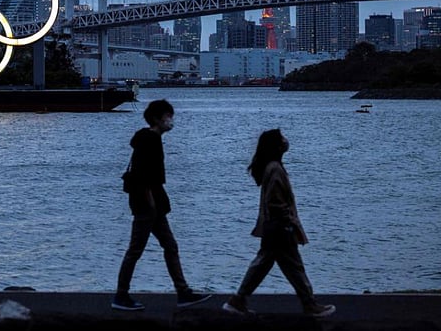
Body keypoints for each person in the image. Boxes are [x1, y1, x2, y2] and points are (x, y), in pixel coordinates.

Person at [222, 128, 336, 318]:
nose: (286, 140)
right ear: (276, 146)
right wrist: (288, 222)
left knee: (265, 264)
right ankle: (309, 305)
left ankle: (238, 300)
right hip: (279, 227)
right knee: (292, 266)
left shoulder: (272, 167)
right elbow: (275, 202)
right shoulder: (274, 168)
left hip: (273, 226)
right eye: (282, 138)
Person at [111, 99, 211, 311]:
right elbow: (143, 174)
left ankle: (182, 292)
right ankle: (121, 296)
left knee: (169, 246)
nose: (171, 120)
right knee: (136, 249)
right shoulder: (150, 140)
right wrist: (150, 204)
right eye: (168, 116)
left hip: (152, 204)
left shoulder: (148, 139)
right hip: (148, 205)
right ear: (157, 118)